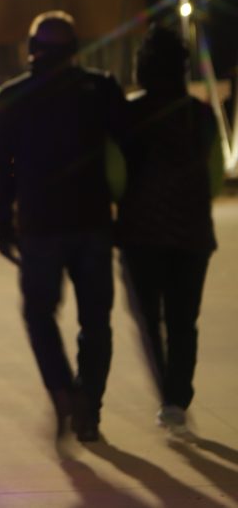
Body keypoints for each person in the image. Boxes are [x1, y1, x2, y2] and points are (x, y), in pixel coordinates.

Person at [0, 11, 125, 442]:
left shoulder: (11, 97)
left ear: (31, 50)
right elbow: (128, 151)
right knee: (96, 321)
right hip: (94, 222)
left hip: (40, 226)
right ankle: (90, 408)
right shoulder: (101, 90)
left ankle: (63, 392)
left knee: (39, 314)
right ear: (75, 49)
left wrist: (2, 220)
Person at [117, 25, 223, 433]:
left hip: (140, 233)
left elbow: (115, 173)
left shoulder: (128, 113)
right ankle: (177, 397)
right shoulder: (200, 114)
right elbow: (213, 173)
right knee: (183, 319)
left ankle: (168, 393)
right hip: (192, 233)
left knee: (150, 318)